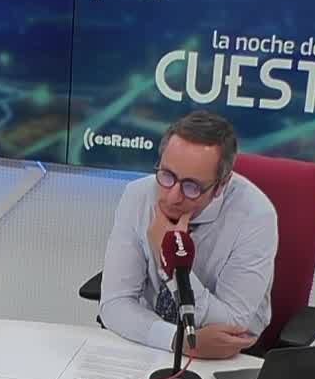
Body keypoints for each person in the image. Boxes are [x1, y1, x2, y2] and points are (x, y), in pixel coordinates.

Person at [98, 110, 277, 361]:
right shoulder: (137, 196)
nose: (173, 196)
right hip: (152, 340)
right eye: (167, 175)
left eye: (191, 186)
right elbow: (114, 304)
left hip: (231, 355)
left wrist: (171, 261)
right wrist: (177, 340)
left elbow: (233, 324)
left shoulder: (255, 217)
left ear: (221, 185)